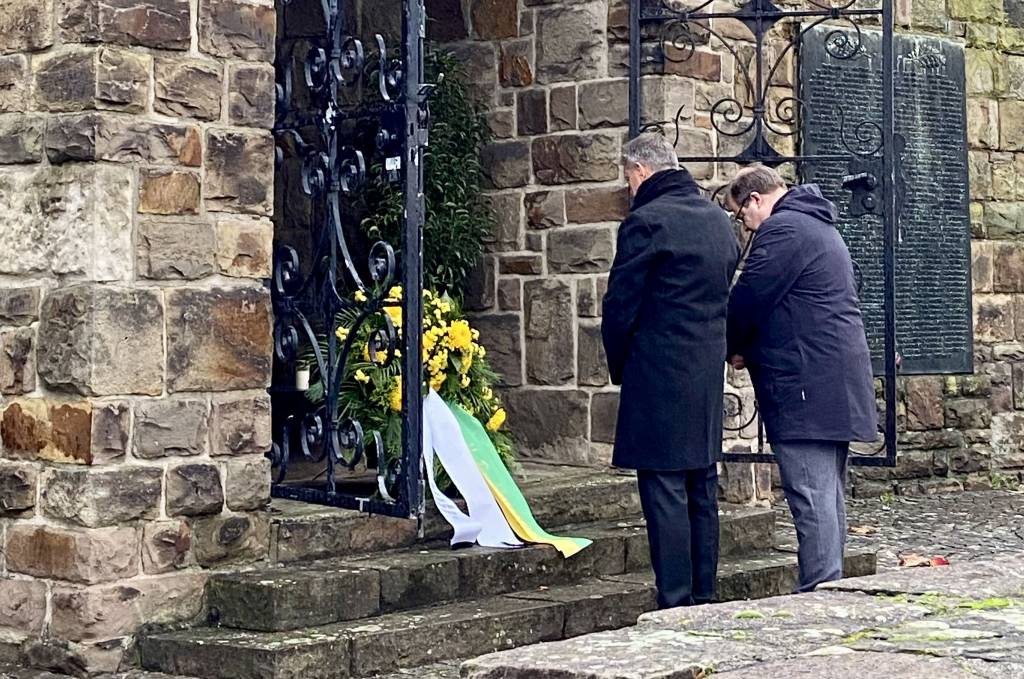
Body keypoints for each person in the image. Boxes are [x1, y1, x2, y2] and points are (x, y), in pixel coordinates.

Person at [602, 133, 740, 609]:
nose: (629, 187)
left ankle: (675, 599)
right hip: (704, 372)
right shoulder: (720, 222)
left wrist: (622, 365)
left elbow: (621, 305)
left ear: (639, 172)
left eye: (628, 179)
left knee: (663, 486)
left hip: (658, 371)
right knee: (700, 483)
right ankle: (704, 591)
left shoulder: (647, 222)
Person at [725, 164, 877, 592]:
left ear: (755, 199)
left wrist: (731, 345)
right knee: (827, 496)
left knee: (811, 496)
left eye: (741, 215)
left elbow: (749, 298)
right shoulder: (815, 225)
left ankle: (821, 591)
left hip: (805, 383)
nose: (746, 226)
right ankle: (830, 585)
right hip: (831, 379)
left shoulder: (784, 229)